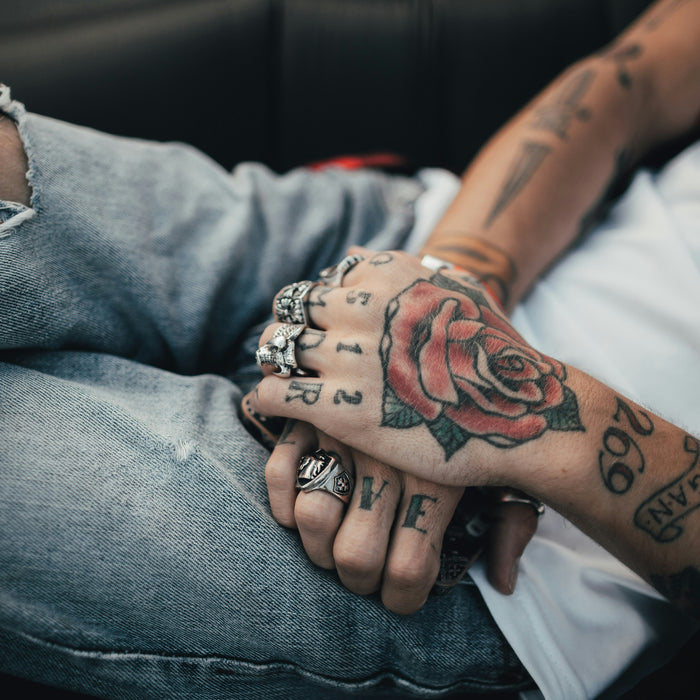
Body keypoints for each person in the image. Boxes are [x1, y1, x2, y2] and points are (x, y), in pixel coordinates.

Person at [0, 1, 697, 699]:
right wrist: (445, 294)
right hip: (406, 245)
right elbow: (634, 82)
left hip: (497, 567)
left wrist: (532, 428)